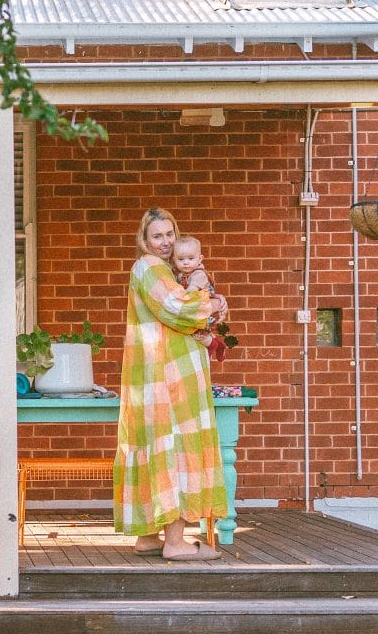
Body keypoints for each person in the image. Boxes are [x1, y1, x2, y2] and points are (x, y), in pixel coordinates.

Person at [113, 208, 229, 559]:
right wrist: (213, 302)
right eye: (157, 236)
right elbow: (177, 308)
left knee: (153, 447)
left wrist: (210, 302)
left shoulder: (168, 271)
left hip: (158, 374)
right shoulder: (149, 267)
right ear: (144, 241)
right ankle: (176, 543)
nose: (164, 242)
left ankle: (149, 536)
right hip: (168, 377)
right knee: (175, 449)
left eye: (169, 234)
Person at [172, 234, 227, 363]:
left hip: (204, 313)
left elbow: (189, 293)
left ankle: (215, 345)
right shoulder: (181, 274)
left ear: (200, 258)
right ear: (174, 259)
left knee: (199, 336)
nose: (186, 262)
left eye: (191, 258)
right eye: (181, 259)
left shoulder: (198, 274)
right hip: (195, 311)